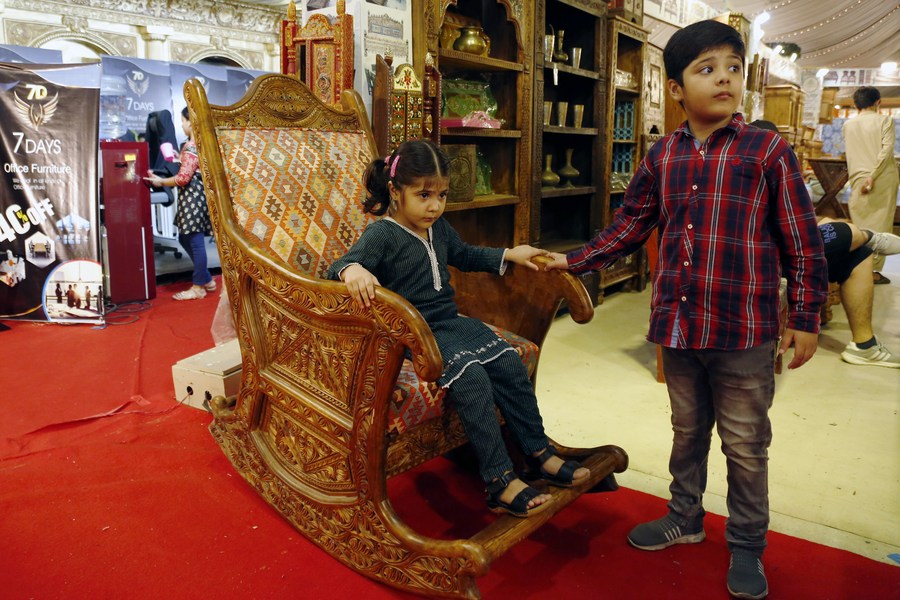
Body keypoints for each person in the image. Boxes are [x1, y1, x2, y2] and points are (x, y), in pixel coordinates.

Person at [546, 20, 827, 600]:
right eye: (706, 69)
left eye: (732, 67)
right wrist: (571, 260)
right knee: (687, 430)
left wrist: (805, 316)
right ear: (675, 88)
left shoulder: (767, 150)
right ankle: (685, 516)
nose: (724, 78)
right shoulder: (663, 155)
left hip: (745, 329)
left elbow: (802, 240)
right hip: (678, 327)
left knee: (746, 444)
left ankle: (747, 544)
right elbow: (630, 225)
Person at [327, 139, 590, 518]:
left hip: (449, 322)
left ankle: (537, 452)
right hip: (414, 334)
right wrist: (353, 270)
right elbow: (339, 265)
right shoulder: (382, 235)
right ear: (395, 191)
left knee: (508, 363)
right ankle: (500, 481)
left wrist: (509, 254)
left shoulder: (439, 228)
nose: (435, 205)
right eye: (424, 195)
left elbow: (465, 254)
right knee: (472, 379)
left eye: (442, 195)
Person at [145, 107, 215, 300]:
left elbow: (183, 178)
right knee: (186, 238)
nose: (182, 125)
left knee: (195, 241)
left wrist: (161, 182)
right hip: (194, 198)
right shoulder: (195, 145)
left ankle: (199, 286)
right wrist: (178, 158)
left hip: (193, 198)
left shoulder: (192, 147)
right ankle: (206, 279)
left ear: (191, 122)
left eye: (183, 121)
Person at [818, 218, 900, 368]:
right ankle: (870, 237)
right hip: (773, 253)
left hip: (780, 242)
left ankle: (864, 346)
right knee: (846, 232)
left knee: (858, 254)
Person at [842, 86, 899, 285]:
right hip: (881, 178)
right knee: (881, 224)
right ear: (878, 102)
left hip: (857, 178)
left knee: (860, 223)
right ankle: (872, 271)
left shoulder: (848, 125)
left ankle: (859, 267)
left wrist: (864, 177)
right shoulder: (885, 120)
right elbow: (887, 150)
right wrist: (873, 176)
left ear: (856, 104)